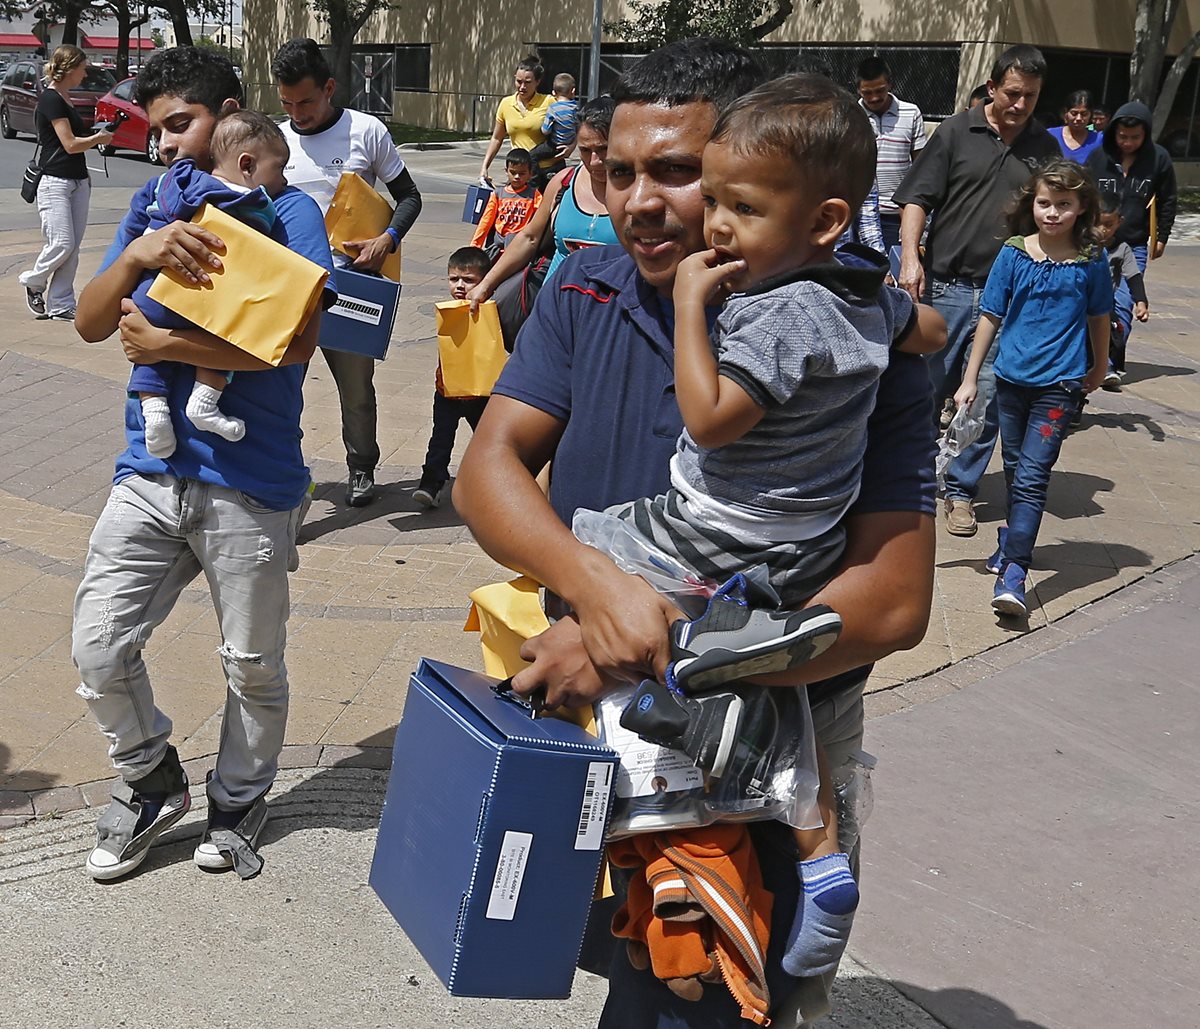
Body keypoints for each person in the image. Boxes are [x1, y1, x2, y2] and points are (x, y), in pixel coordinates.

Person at [453, 37, 938, 1027]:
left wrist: (640, 648)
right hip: (609, 726)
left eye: (679, 173)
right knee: (605, 965)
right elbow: (489, 472)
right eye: (616, 170)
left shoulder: (851, 339)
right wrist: (598, 594)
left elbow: (891, 604)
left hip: (766, 740)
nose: (644, 201)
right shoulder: (581, 288)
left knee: (707, 999)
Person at [582, 73, 945, 981]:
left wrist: (691, 309)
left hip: (717, 531)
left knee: (596, 543)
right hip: (807, 543)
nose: (715, 227)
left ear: (823, 220)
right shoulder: (862, 294)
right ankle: (819, 847)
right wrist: (906, 328)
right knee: (788, 694)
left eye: (740, 207)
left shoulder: (773, 315)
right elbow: (929, 330)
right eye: (721, 199)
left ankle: (696, 672)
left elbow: (707, 418)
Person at [71, 46, 336, 882]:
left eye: (181, 124)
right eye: (158, 131)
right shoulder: (154, 205)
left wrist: (163, 342)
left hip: (250, 484)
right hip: (148, 474)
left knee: (251, 661)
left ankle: (239, 794)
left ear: (230, 117)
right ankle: (152, 781)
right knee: (98, 648)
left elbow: (296, 341)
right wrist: (141, 256)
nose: (169, 146)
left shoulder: (288, 212)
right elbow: (87, 319)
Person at [893, 44, 1059, 539]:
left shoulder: (1043, 148)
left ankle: (960, 491)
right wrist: (909, 257)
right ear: (992, 87)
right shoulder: (955, 132)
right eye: (1012, 93)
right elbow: (917, 199)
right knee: (923, 391)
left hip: (1006, 298)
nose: (1020, 104)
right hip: (944, 285)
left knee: (984, 398)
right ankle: (908, 481)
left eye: (1030, 96)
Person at [953, 160, 1111, 617]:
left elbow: (1099, 317)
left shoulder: (1091, 260)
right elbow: (990, 316)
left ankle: (1015, 571)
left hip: (1060, 386)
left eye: (1064, 204)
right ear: (1032, 204)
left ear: (1082, 208)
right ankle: (1011, 541)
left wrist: (1099, 367)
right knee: (1017, 468)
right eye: (1045, 203)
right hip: (1009, 380)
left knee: (1032, 477)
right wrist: (969, 379)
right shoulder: (1014, 253)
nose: (1053, 213)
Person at [272, 37, 423, 507]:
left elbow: (410, 197)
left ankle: (362, 468)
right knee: (280, 391)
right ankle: (285, 473)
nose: (298, 113)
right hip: (289, 290)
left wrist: (387, 239)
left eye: (307, 101)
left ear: (330, 87)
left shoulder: (367, 131)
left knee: (356, 389)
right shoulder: (275, 140)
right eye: (287, 103)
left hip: (350, 287)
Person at [128, 111, 295, 458]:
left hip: (152, 291)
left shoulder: (179, 182)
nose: (282, 181)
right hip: (204, 294)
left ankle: (153, 409)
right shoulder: (253, 202)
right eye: (279, 169)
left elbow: (164, 197)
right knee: (228, 332)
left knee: (150, 354)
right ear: (247, 165)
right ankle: (204, 401)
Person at [466, 96, 619, 348]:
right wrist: (485, 285)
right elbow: (530, 238)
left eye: (603, 149)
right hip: (554, 318)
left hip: (611, 327)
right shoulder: (563, 183)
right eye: (585, 150)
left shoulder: (639, 191)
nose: (594, 161)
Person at [18, 45, 113, 321]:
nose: (85, 73)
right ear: (70, 68)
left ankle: (60, 304)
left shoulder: (65, 97)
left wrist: (99, 135)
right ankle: (33, 281)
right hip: (55, 181)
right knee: (61, 243)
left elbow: (76, 138)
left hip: (78, 180)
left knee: (73, 247)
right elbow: (70, 144)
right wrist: (97, 139)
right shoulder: (50, 99)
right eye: (83, 67)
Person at [412, 247, 493, 508]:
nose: (459, 285)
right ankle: (431, 483)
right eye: (453, 278)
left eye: (468, 280)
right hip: (446, 389)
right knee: (440, 439)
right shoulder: (448, 310)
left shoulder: (491, 310)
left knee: (487, 440)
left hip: (480, 393)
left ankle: (490, 486)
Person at [1085, 101, 1177, 270]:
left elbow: (1168, 200)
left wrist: (1162, 238)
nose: (1128, 143)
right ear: (1114, 133)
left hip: (1134, 245)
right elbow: (1082, 197)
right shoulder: (1098, 157)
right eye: (1123, 136)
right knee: (1096, 295)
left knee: (1128, 296)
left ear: (1146, 134)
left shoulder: (1159, 159)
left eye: (1135, 137)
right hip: (1095, 244)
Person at [855, 55, 927, 250]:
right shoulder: (851, 115)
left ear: (890, 84)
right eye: (867, 93)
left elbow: (920, 167)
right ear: (858, 90)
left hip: (898, 216)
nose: (874, 98)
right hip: (860, 216)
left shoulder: (911, 113)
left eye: (880, 90)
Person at [478, 54, 557, 190]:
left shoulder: (548, 102)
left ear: (537, 82)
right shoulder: (506, 104)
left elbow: (572, 126)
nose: (522, 87)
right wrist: (484, 166)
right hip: (520, 173)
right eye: (518, 81)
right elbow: (497, 138)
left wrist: (570, 148)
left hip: (547, 171)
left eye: (527, 82)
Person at [1097, 189, 1150, 387]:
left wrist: (1141, 301)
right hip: (1078, 306)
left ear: (1119, 222)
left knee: (1114, 336)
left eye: (1108, 224)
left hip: (1104, 308)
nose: (1102, 229)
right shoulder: (1080, 246)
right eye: (1097, 223)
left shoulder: (1123, 249)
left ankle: (1108, 367)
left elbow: (1133, 276)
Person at [470, 148, 541, 254]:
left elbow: (540, 220)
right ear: (506, 171)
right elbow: (486, 221)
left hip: (520, 245)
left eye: (522, 173)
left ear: (530, 174)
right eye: (513, 172)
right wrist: (475, 246)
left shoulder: (534, 195)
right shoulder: (498, 194)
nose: (517, 177)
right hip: (498, 244)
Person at [531, 72, 578, 166]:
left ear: (553, 93)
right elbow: (578, 126)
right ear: (573, 91)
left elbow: (545, 131)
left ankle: (533, 177)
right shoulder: (576, 108)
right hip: (568, 143)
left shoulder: (553, 108)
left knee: (531, 156)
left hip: (554, 144)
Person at [1049, 89, 1103, 162]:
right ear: (1066, 113)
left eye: (1084, 114)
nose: (1078, 118)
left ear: (1091, 114)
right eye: (1074, 113)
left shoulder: (1098, 140)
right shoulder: (1050, 135)